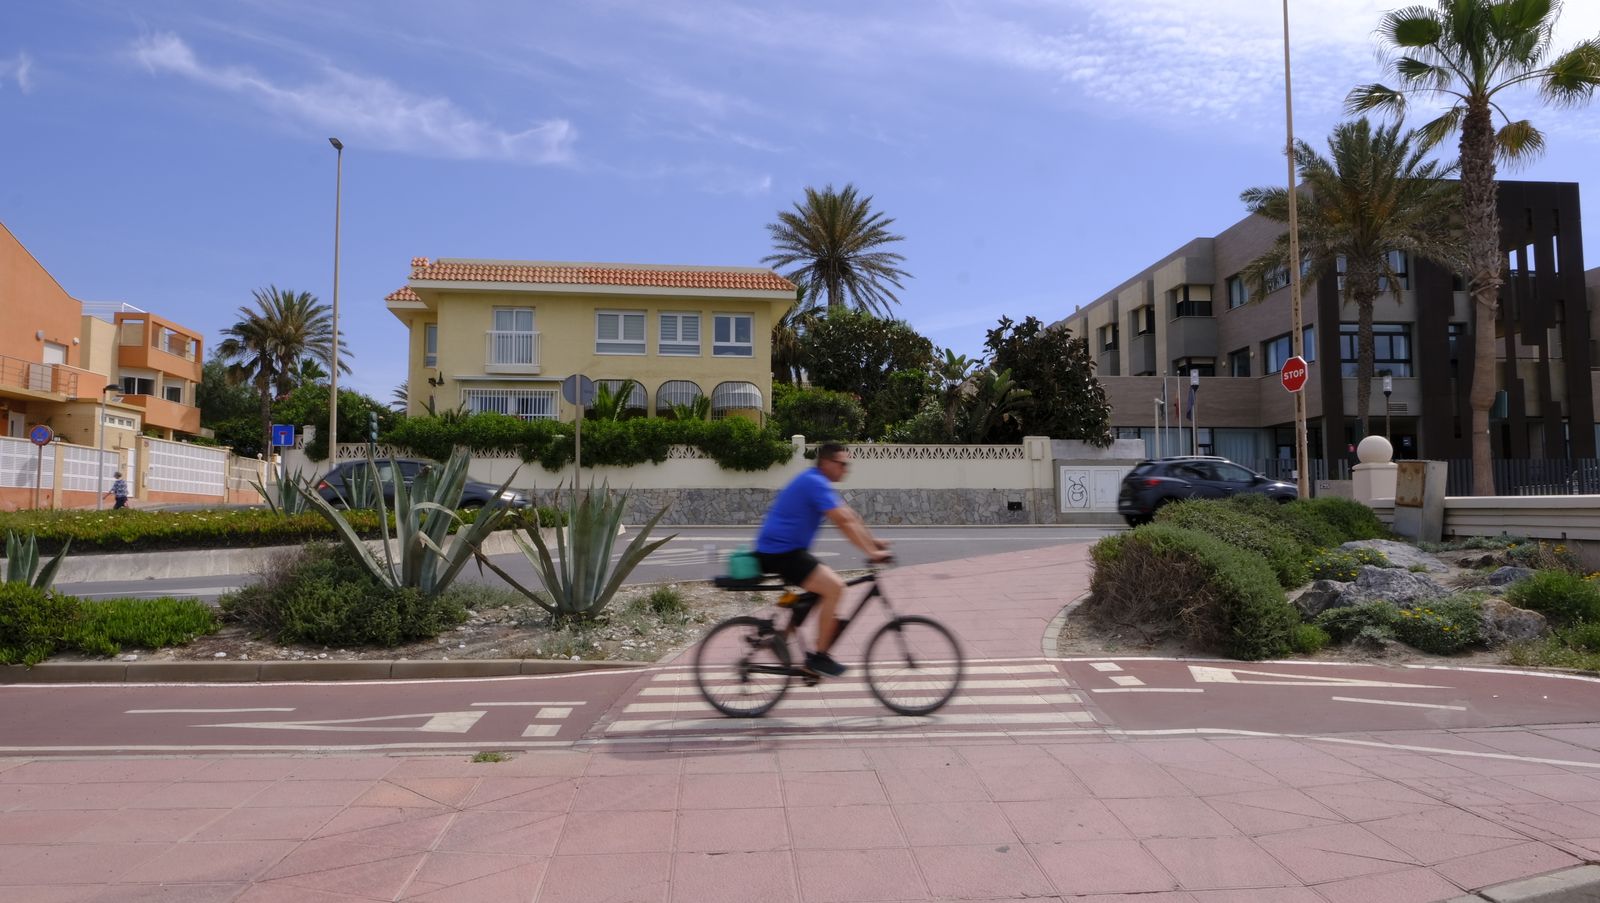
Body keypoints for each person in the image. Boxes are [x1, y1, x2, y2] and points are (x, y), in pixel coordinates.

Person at [753, 443, 890, 677]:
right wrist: (872, 553)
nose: (846, 469)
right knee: (835, 588)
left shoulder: (818, 482)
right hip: (780, 552)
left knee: (821, 586)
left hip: (786, 550)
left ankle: (782, 638)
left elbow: (851, 517)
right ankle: (819, 657)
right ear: (827, 463)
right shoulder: (815, 483)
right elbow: (843, 522)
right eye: (842, 464)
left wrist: (873, 542)